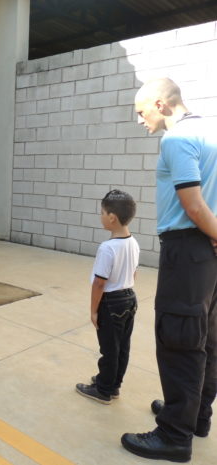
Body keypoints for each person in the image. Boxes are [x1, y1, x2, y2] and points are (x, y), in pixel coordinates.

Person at [121, 78, 217, 463]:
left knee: (179, 338)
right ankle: (196, 416)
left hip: (188, 249)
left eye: (141, 112)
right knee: (208, 336)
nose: (140, 120)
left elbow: (192, 205)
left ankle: (174, 435)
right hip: (210, 249)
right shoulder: (210, 131)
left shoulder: (177, 139)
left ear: (160, 104)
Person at [75, 190, 140, 405]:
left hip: (111, 303)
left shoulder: (107, 248)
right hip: (129, 299)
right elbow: (134, 274)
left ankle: (103, 390)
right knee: (122, 347)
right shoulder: (133, 243)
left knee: (109, 349)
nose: (100, 216)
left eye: (102, 213)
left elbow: (99, 283)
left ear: (112, 217)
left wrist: (94, 310)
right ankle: (113, 384)